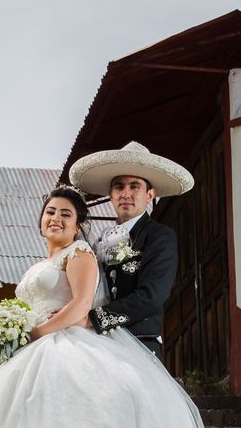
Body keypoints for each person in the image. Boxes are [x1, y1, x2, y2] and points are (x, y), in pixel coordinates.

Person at [0, 185, 203, 428]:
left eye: (66, 214)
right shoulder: (77, 251)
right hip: (37, 340)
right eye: (50, 212)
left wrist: (50, 329)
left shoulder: (96, 249)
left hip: (89, 339)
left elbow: (104, 300)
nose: (56, 218)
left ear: (78, 225)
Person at [69, 141, 194, 359]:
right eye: (119, 186)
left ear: (150, 195)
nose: (125, 193)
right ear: (110, 193)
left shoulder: (160, 237)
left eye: (134, 186)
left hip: (138, 345)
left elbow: (151, 296)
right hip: (95, 345)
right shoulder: (99, 241)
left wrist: (92, 319)